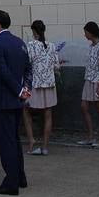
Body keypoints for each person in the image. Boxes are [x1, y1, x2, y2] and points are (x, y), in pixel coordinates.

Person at [0, 10, 31, 196]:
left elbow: (2, 70)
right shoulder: (19, 42)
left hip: (3, 98)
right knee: (14, 139)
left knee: (6, 142)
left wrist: (19, 90)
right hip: (16, 100)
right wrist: (25, 89)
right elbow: (28, 68)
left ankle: (11, 182)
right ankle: (20, 176)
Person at [23, 20, 60, 156]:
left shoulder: (31, 45)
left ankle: (31, 141)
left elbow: (27, 62)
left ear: (34, 31)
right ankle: (45, 147)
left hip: (33, 84)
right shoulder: (52, 46)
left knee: (25, 109)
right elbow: (56, 66)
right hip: (49, 84)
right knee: (48, 114)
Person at [78, 21, 99, 148]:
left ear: (91, 32)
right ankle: (90, 136)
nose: (85, 35)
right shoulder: (92, 46)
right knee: (84, 107)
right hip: (89, 79)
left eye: (86, 32)